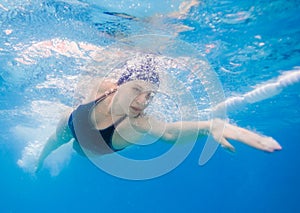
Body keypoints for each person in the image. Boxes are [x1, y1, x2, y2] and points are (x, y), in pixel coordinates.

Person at [36, 56, 282, 172]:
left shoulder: (138, 123)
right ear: (118, 85)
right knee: (55, 142)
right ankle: (37, 163)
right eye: (137, 90)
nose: (143, 101)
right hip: (72, 124)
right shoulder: (103, 86)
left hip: (96, 149)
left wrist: (209, 125)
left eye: (150, 95)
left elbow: (170, 132)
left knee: (80, 152)